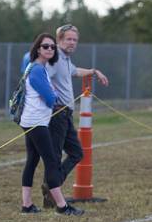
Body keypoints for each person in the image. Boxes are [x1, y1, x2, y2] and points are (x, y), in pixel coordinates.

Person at [42, 24, 110, 207]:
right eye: (68, 39)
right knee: (55, 156)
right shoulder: (55, 58)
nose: (72, 43)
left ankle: (51, 186)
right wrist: (52, 99)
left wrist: (94, 71)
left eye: (75, 40)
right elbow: (42, 76)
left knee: (76, 153)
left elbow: (75, 72)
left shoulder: (64, 59)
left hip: (66, 114)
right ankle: (52, 194)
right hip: (57, 113)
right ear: (59, 40)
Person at [18, 33, 83, 216]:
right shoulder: (37, 69)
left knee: (32, 160)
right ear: (37, 49)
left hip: (32, 121)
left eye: (52, 47)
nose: (49, 49)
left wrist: (50, 91)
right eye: (45, 46)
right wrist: (53, 94)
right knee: (52, 161)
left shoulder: (39, 68)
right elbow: (49, 99)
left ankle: (27, 204)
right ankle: (62, 206)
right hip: (36, 123)